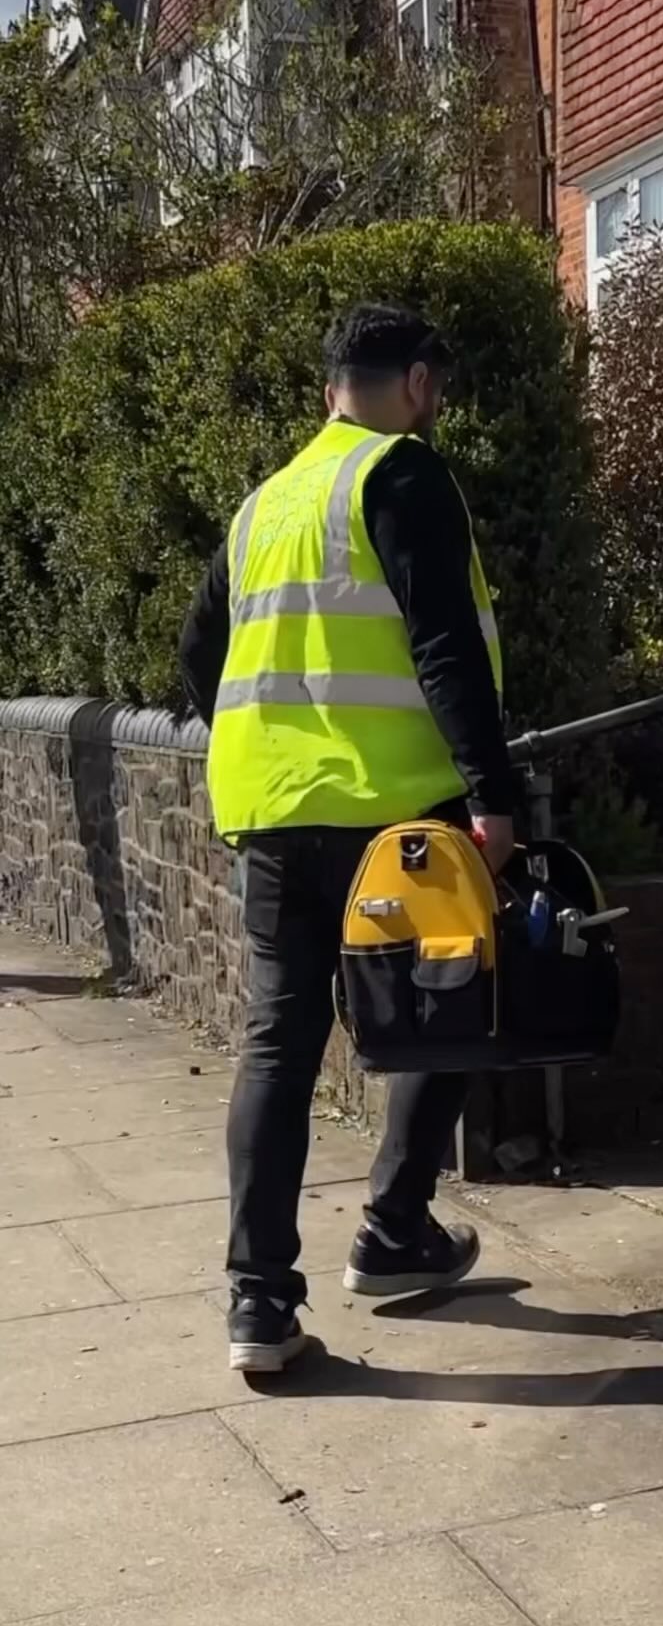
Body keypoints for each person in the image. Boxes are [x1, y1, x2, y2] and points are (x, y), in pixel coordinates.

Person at [179, 302, 516, 1375]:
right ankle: (392, 1230)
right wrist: (492, 794)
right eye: (438, 390)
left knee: (279, 1045)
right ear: (417, 383)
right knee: (450, 1009)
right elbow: (445, 645)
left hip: (271, 810)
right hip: (392, 810)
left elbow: (197, 661)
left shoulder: (264, 505)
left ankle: (258, 1309)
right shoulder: (401, 476)